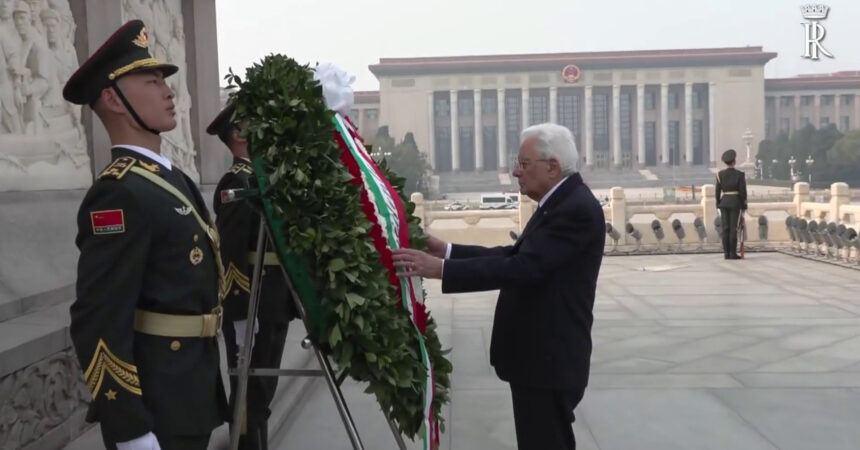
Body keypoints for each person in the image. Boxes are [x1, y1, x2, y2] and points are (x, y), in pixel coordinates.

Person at [64, 20, 227, 450]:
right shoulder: (118, 193)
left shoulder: (172, 179)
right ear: (113, 99)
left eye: (164, 81)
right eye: (152, 81)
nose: (168, 92)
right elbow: (98, 320)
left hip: (191, 391)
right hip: (157, 405)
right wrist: (130, 429)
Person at [392, 123, 605, 449]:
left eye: (523, 163)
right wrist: (447, 252)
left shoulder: (574, 209)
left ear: (552, 166)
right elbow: (514, 254)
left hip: (548, 359)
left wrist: (442, 271)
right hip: (540, 359)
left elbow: (524, 267)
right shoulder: (560, 202)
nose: (516, 172)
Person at [207, 101, 299, 450]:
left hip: (272, 302)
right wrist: (241, 313)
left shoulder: (259, 179)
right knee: (250, 399)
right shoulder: (237, 182)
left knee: (261, 395)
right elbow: (230, 255)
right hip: (255, 304)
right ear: (238, 134)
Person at [715, 149, 748, 259]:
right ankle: (732, 253)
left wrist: (718, 204)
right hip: (735, 203)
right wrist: (744, 205)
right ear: (734, 161)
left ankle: (726, 253)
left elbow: (717, 192)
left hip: (724, 203)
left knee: (725, 228)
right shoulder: (739, 175)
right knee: (733, 228)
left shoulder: (720, 175)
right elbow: (743, 192)